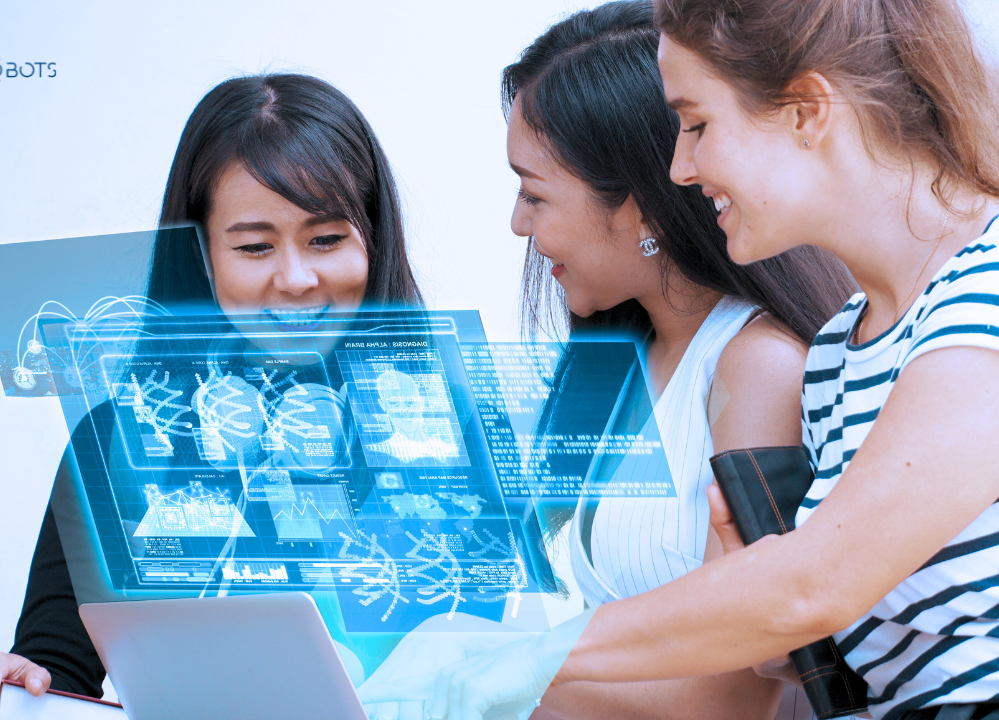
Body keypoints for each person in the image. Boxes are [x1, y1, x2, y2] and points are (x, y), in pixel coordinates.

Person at [410, 1, 999, 719]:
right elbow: (825, 641)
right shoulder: (838, 358)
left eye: (696, 124)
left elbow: (819, 580)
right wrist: (749, 600)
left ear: (807, 111)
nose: (679, 169)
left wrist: (527, 659)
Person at [355, 3, 853, 719]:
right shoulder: (616, 362)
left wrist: (496, 670)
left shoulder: (755, 367)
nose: (518, 224)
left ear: (643, 208)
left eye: (534, 194)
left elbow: (728, 699)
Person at [0, 72, 422, 720]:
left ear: (373, 236)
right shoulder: (115, 447)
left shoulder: (449, 427)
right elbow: (54, 673)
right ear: (200, 256)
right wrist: (3, 682)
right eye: (254, 246)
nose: (298, 278)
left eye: (326, 238)